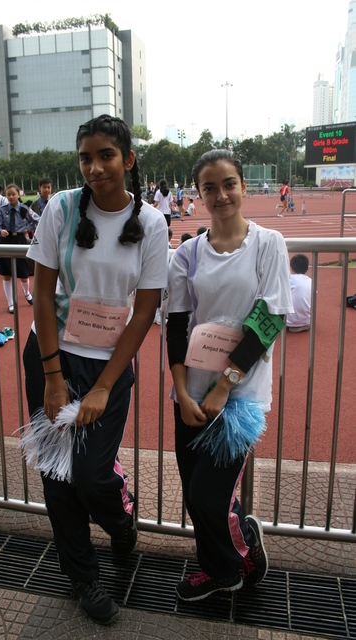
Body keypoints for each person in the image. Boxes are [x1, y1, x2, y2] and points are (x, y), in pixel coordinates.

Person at [23, 115, 169, 625]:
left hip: (109, 362)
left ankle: (121, 521)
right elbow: (43, 293)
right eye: (85, 157)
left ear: (128, 159)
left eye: (106, 155)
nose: (95, 167)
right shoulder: (61, 208)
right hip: (52, 355)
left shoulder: (151, 223)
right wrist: (52, 377)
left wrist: (105, 386)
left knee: (90, 474)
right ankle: (82, 576)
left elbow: (145, 310)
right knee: (57, 475)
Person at [167, 149, 293, 602]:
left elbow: (270, 317)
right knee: (195, 494)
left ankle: (232, 565)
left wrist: (225, 385)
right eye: (209, 187)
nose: (220, 195)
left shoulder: (267, 244)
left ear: (242, 186)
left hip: (237, 399)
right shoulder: (186, 254)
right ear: (198, 194)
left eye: (228, 184)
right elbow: (176, 326)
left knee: (209, 496)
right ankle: (220, 559)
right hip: (191, 395)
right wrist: (181, 391)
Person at [0, 184, 39, 313]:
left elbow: (37, 220)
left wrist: (27, 229)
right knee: (7, 275)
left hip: (19, 240)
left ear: (19, 194)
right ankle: (11, 302)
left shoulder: (24, 209)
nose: (11, 197)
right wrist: (0, 231)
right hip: (6, 241)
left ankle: (27, 293)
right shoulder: (3, 210)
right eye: (8, 195)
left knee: (23, 273)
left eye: (13, 194)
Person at [286, 254, 311, 332]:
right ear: (307, 268)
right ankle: (302, 322)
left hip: (288, 321)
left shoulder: (289, 278)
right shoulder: (311, 281)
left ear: (291, 268)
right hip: (306, 320)